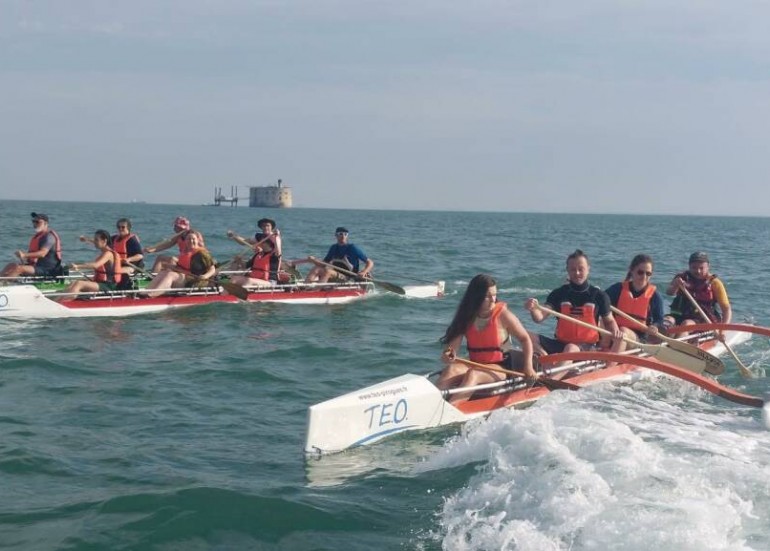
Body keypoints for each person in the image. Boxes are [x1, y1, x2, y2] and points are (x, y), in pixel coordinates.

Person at [436, 274, 536, 401]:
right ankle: (431, 405)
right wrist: (448, 354)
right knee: (450, 369)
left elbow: (525, 339)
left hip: (501, 367)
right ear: (476, 297)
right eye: (488, 296)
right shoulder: (466, 316)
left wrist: (528, 366)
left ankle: (451, 409)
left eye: (494, 295)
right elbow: (452, 350)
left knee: (473, 375)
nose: (493, 299)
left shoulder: (503, 315)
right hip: (476, 363)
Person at [524, 249, 622, 357]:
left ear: (588, 269)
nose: (577, 273)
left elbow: (609, 321)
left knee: (570, 348)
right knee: (524, 335)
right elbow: (539, 318)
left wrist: (616, 333)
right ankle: (545, 360)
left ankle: (553, 372)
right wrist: (533, 309)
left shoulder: (599, 296)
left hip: (587, 348)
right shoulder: (558, 293)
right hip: (561, 344)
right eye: (573, 269)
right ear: (567, 270)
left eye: (581, 269)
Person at [604, 254, 666, 353]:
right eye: (640, 272)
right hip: (614, 332)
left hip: (638, 339)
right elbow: (602, 301)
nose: (644, 277)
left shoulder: (655, 296)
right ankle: (600, 349)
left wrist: (654, 326)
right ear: (631, 270)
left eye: (648, 274)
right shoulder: (617, 289)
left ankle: (610, 365)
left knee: (623, 332)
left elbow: (659, 320)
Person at [662, 251, 731, 334]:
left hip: (703, 320)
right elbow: (669, 293)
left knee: (686, 324)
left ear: (708, 267)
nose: (698, 271)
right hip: (679, 315)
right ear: (689, 266)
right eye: (694, 268)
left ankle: (678, 345)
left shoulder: (715, 283)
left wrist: (722, 330)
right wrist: (676, 285)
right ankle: (654, 343)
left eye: (701, 268)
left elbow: (726, 310)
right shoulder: (681, 278)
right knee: (666, 322)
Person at [144, 231, 216, 297]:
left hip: (194, 282)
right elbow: (181, 268)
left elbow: (212, 269)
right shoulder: (185, 253)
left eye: (193, 239)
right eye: (188, 239)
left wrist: (205, 276)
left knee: (170, 275)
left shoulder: (202, 253)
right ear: (185, 241)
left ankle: (152, 294)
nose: (191, 241)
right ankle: (145, 292)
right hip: (184, 278)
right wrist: (171, 266)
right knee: (163, 272)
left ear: (197, 240)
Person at [58, 230, 123, 301]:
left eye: (96, 240)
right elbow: (97, 242)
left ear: (104, 241)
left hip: (108, 286)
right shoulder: (105, 249)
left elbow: (96, 265)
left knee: (79, 284)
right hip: (101, 283)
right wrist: (86, 239)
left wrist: (78, 266)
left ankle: (63, 302)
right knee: (74, 282)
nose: (94, 242)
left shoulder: (108, 254)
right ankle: (57, 301)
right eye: (94, 239)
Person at [295, 227, 373, 283]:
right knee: (316, 268)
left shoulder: (353, 248)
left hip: (348, 277)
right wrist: (313, 260)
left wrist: (364, 272)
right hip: (335, 274)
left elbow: (370, 262)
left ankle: (317, 290)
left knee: (328, 271)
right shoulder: (333, 248)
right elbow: (323, 264)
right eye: (340, 234)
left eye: (345, 234)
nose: (343, 236)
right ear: (336, 235)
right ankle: (306, 287)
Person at [1, 212, 63, 280]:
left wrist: (24, 255)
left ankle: (4, 285)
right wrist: (23, 257)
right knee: (11, 265)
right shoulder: (39, 236)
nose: (35, 224)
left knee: (19, 269)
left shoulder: (49, 237)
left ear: (46, 223)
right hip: (38, 266)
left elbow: (42, 253)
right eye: (33, 221)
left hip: (48, 269)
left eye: (38, 222)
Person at [226, 218, 282, 283]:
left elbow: (278, 250)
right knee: (235, 263)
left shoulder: (275, 238)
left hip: (269, 275)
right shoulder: (259, 237)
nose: (265, 227)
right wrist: (234, 236)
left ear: (272, 227)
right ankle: (230, 280)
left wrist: (277, 235)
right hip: (259, 264)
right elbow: (243, 242)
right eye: (263, 226)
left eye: (268, 226)